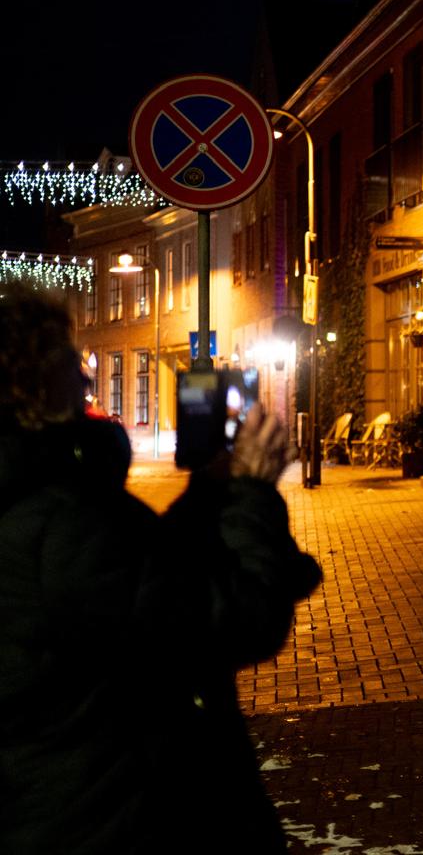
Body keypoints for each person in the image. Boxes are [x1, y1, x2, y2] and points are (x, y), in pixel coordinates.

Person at [0, 283, 322, 854]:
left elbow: (142, 586)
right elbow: (238, 619)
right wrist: (253, 493)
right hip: (125, 821)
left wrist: (208, 494)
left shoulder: (34, 496)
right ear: (35, 382)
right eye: (70, 359)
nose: (86, 377)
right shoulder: (57, 519)